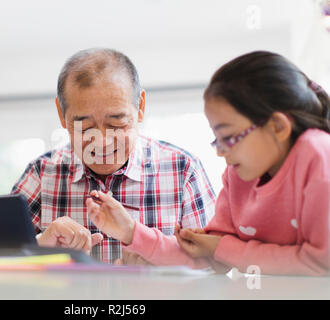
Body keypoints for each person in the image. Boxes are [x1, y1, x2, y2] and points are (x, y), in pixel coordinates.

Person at [87, 51, 330, 275]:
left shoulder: (318, 153)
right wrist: (131, 231)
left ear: (278, 127)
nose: (221, 153)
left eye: (229, 137)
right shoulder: (237, 176)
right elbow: (208, 256)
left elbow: (320, 262)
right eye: (217, 140)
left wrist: (224, 248)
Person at [12, 48, 216, 263]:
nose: (102, 141)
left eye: (116, 122)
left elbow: (214, 267)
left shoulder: (183, 170)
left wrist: (163, 275)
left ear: (140, 107)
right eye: (85, 126)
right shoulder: (41, 174)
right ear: (62, 115)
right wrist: (40, 244)